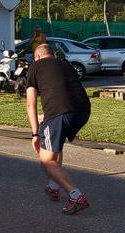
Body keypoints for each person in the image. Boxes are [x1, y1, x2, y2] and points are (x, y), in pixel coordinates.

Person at [24, 43, 92, 215]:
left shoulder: (35, 66)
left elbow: (31, 103)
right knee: (56, 140)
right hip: (83, 111)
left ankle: (76, 196)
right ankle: (54, 185)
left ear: (37, 57)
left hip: (59, 113)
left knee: (46, 160)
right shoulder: (65, 64)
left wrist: (35, 134)